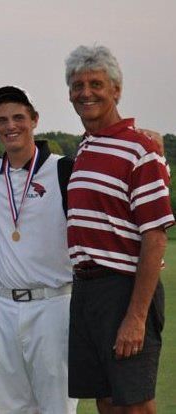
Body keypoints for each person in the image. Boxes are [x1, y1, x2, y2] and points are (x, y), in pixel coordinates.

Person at [65, 45, 174, 413]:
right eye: (78, 85)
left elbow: (156, 237)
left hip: (123, 289)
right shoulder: (85, 147)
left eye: (97, 84)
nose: (86, 93)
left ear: (116, 90)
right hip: (85, 289)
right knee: (106, 400)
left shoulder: (141, 150)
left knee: (135, 403)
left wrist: (136, 316)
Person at [0, 86, 77, 413]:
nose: (11, 126)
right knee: (6, 407)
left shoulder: (66, 170)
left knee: (57, 406)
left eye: (18, 118)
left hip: (54, 305)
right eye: (1, 120)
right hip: (3, 306)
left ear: (34, 120)